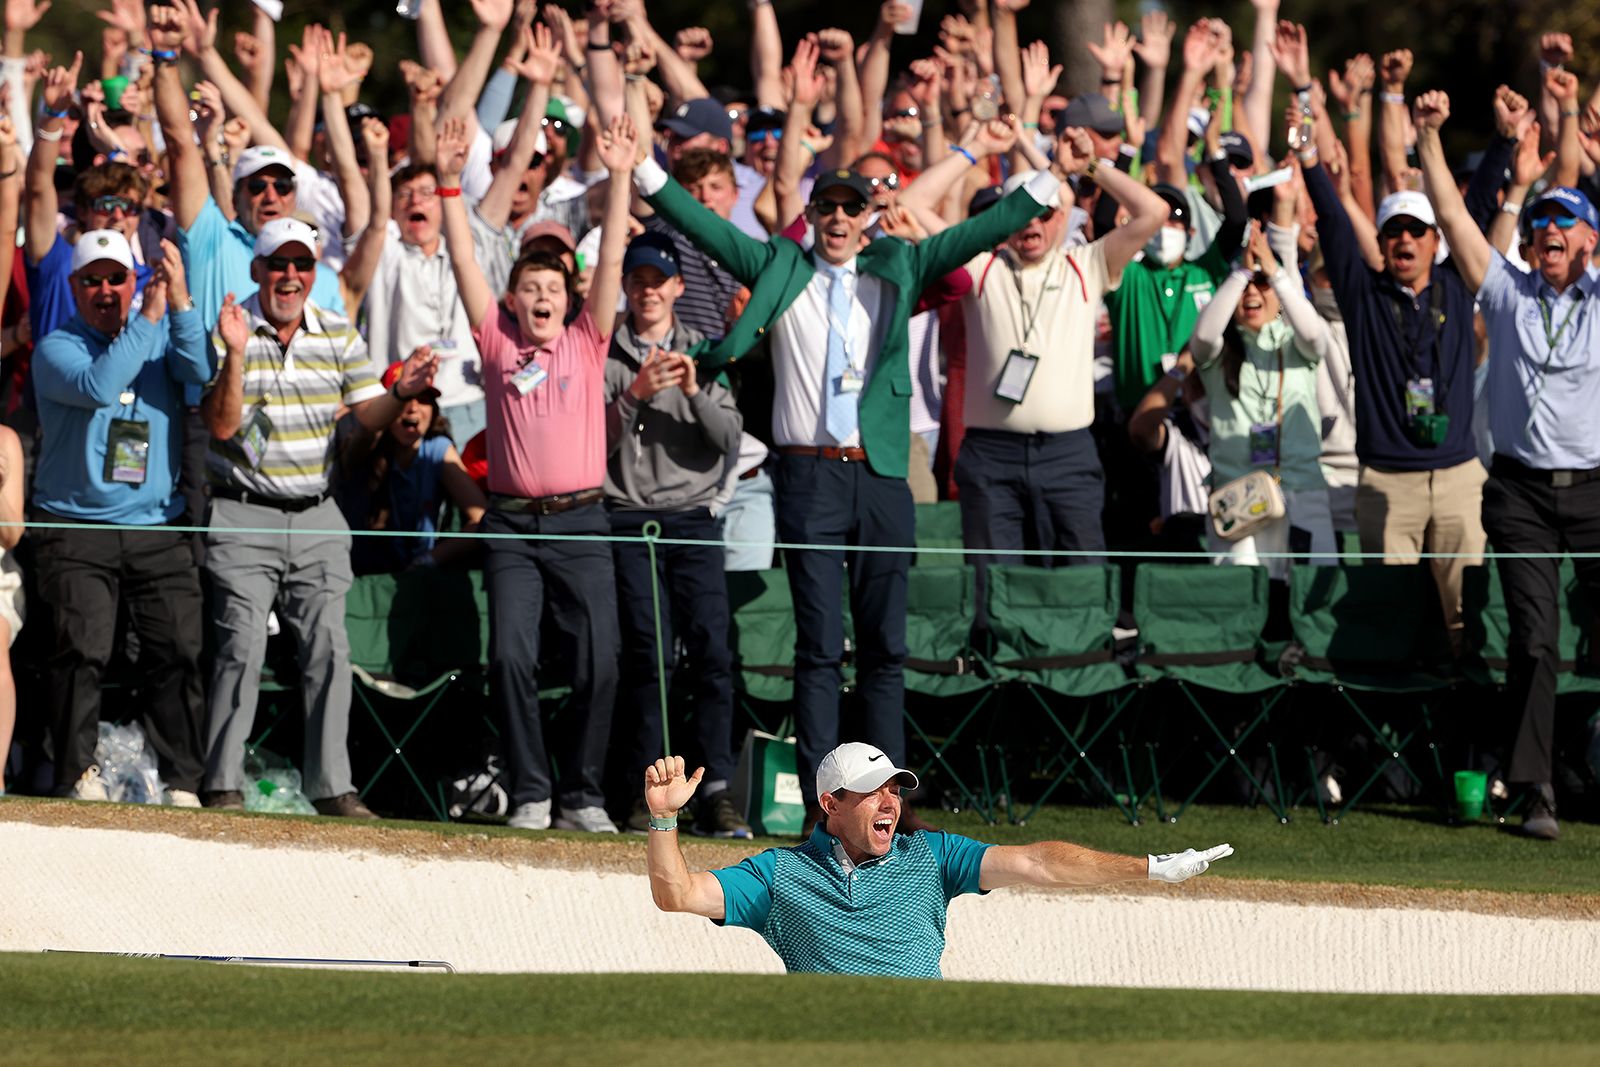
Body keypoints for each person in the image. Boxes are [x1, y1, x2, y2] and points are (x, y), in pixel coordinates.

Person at [632, 118, 1058, 823]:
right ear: (811, 216)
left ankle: (887, 807)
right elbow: (705, 227)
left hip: (882, 474)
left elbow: (975, 236)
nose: (837, 217)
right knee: (820, 648)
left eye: (850, 206)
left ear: (868, 217)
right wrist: (642, 174)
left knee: (886, 647)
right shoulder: (781, 267)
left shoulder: (896, 265)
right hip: (810, 476)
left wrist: (1045, 178)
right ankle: (822, 811)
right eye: (825, 206)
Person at [436, 111, 638, 834]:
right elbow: (463, 262)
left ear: (570, 294)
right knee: (510, 659)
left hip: (584, 520)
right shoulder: (497, 341)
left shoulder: (587, 336)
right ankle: (531, 791)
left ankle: (582, 794)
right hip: (514, 525)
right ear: (514, 297)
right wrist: (447, 184)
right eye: (530, 284)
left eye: (554, 282)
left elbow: (611, 257)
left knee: (601, 664)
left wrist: (618, 175)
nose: (543, 294)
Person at [200, 218, 439, 818]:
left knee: (329, 650)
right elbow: (222, 425)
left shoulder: (337, 332)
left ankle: (332, 787)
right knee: (241, 649)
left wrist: (403, 390)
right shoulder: (230, 329)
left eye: (301, 265)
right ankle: (221, 783)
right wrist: (233, 353)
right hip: (243, 512)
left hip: (315, 514)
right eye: (277, 264)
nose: (289, 276)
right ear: (256, 270)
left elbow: (366, 414)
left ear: (313, 273)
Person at [1414, 87, 1600, 841]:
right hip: (1521, 490)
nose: (1549, 228)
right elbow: (1455, 219)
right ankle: (1536, 789)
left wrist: (1572, 128)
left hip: (1596, 488)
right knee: (1532, 637)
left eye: (1567, 219)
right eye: (1540, 220)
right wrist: (1428, 136)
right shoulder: (1506, 290)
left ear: (1590, 239)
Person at [642, 746, 1233, 978]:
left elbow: (1039, 865)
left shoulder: (932, 855)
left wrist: (1150, 868)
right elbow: (678, 894)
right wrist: (665, 818)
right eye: (874, 791)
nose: (890, 802)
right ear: (830, 804)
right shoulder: (779, 876)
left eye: (896, 789)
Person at [1283, 22, 1485, 652]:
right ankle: (1396, 742)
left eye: (1413, 231)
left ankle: (1465, 734)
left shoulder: (1457, 285)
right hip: (1386, 482)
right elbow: (1336, 217)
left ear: (1434, 242)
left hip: (1458, 477)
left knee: (1465, 621)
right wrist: (1308, 120)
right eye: (1392, 230)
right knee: (1395, 622)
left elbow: (1466, 215)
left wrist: (1495, 149)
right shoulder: (1365, 295)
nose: (1400, 239)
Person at [31, 231, 209, 805]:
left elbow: (200, 369)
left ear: (135, 280)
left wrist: (179, 301)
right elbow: (102, 384)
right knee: (80, 651)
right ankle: (76, 773)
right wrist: (152, 313)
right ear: (74, 286)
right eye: (92, 280)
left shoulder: (156, 332)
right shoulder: (56, 347)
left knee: (177, 648)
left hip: (157, 523)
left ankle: (183, 780)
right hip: (75, 525)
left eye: (118, 278)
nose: (106, 291)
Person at [954, 132, 1170, 569]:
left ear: (1061, 217)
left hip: (1067, 454)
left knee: (1083, 577)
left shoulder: (1087, 263)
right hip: (992, 454)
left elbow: (1154, 212)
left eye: (1044, 213)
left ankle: (1087, 642)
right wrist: (971, 152)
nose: (1031, 224)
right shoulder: (980, 265)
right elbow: (917, 210)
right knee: (993, 588)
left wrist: (1090, 166)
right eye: (1020, 214)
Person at [603, 232, 747, 838]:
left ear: (678, 287)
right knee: (648, 656)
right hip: (627, 518)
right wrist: (636, 393)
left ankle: (715, 790)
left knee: (712, 653)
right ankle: (651, 789)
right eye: (637, 279)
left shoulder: (704, 351)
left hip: (692, 517)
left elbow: (730, 438)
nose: (648, 290)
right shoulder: (605, 350)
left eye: (658, 280)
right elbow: (592, 440)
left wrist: (689, 390)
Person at [1190, 226, 1335, 576]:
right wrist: (1241, 272)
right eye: (1244, 286)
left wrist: (1278, 273)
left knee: (1306, 605)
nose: (1252, 292)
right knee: (1241, 603)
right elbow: (1204, 335)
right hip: (1239, 497)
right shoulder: (1219, 353)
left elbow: (1316, 335)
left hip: (1301, 491)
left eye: (1261, 284)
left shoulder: (1296, 343)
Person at [333, 362, 489, 576]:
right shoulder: (366, 445)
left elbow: (481, 520)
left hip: (420, 576)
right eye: (404, 399)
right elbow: (366, 432)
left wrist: (429, 560)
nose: (414, 407)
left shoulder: (437, 449)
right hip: (366, 575)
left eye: (424, 399)